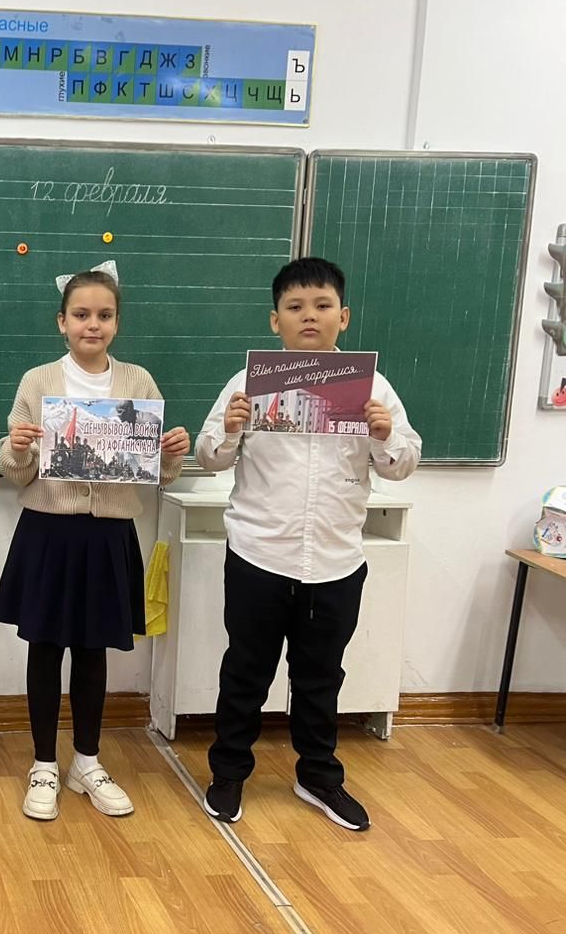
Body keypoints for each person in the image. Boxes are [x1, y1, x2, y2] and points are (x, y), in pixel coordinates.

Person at [195, 257, 422, 831]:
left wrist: (384, 434)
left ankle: (318, 776)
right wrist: (230, 428)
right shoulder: (247, 383)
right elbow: (208, 456)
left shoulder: (374, 388)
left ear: (343, 316)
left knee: (321, 677)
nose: (309, 316)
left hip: (335, 559)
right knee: (245, 672)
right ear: (276, 321)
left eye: (322, 305)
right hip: (258, 554)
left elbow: (402, 464)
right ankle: (228, 773)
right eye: (295, 307)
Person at [0, 260, 189, 821]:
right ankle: (43, 764)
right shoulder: (38, 381)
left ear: (117, 322)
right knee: (44, 647)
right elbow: (14, 471)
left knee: (93, 650)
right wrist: (18, 448)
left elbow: (157, 471)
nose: (92, 325)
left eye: (104, 315)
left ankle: (86, 760)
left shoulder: (138, 382)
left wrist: (170, 453)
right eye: (81, 314)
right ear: (62, 322)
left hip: (107, 535)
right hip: (49, 532)